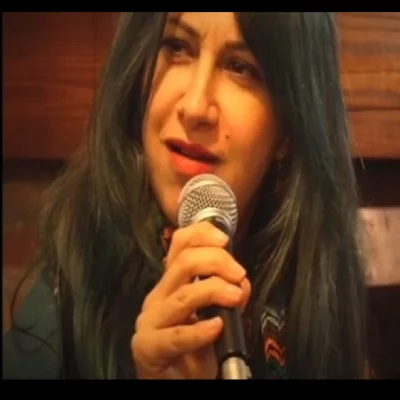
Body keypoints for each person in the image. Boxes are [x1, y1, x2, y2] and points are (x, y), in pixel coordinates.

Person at [3, 12, 371, 379]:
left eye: (240, 67)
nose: (195, 107)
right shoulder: (73, 276)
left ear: (290, 129)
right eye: (178, 47)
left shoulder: (318, 291)